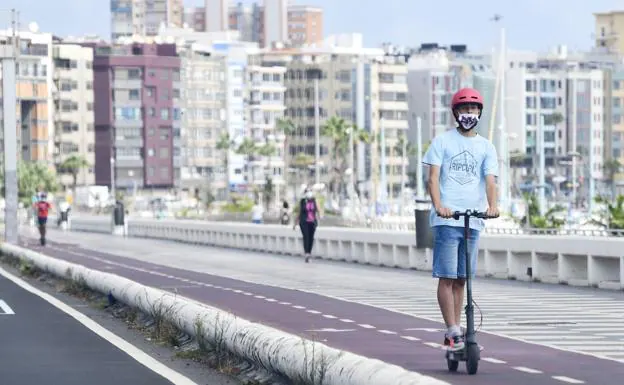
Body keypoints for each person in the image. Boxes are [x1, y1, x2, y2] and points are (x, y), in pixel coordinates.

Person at [422, 87, 499, 352]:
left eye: (473, 109)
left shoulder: (486, 146)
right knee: (446, 276)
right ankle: (452, 330)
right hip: (447, 220)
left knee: (462, 279)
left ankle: (458, 328)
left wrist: (493, 206)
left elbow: (490, 180)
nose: (469, 114)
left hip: (473, 220)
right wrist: (439, 205)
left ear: (480, 113)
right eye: (465, 109)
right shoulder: (442, 142)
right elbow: (432, 178)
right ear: (456, 113)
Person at [294, 187, 320, 263]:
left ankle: (309, 253)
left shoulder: (314, 200)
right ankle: (306, 254)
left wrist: (320, 217)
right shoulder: (303, 201)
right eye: (307, 191)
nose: (309, 193)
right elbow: (299, 212)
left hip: (312, 222)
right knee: (306, 237)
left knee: (311, 238)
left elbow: (318, 210)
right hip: (304, 222)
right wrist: (295, 223)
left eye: (310, 191)